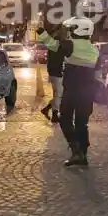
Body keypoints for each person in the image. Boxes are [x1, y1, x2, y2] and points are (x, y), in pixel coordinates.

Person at [37, 17, 98, 167]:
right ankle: (82, 155)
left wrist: (41, 31)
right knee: (82, 124)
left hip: (72, 90)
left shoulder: (71, 45)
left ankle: (76, 150)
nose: (69, 32)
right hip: (88, 92)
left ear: (78, 29)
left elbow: (52, 45)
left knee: (64, 119)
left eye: (71, 29)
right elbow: (98, 74)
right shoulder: (95, 49)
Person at [39, 25, 67, 123]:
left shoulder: (56, 42)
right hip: (57, 72)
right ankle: (54, 114)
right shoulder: (57, 42)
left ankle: (48, 110)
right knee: (59, 95)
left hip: (54, 72)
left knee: (57, 95)